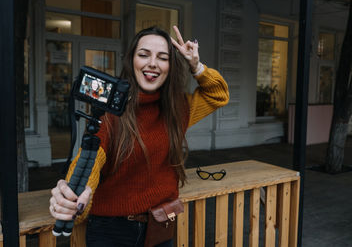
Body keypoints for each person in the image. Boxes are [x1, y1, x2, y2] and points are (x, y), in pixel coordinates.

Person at [49, 26, 229, 246]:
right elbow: (92, 157)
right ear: (131, 60)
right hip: (112, 231)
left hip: (160, 225)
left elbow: (218, 94)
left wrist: (196, 66)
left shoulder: (177, 108)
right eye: (144, 55)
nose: (152, 63)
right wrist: (78, 191)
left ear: (170, 67)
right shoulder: (112, 110)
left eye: (162, 58)